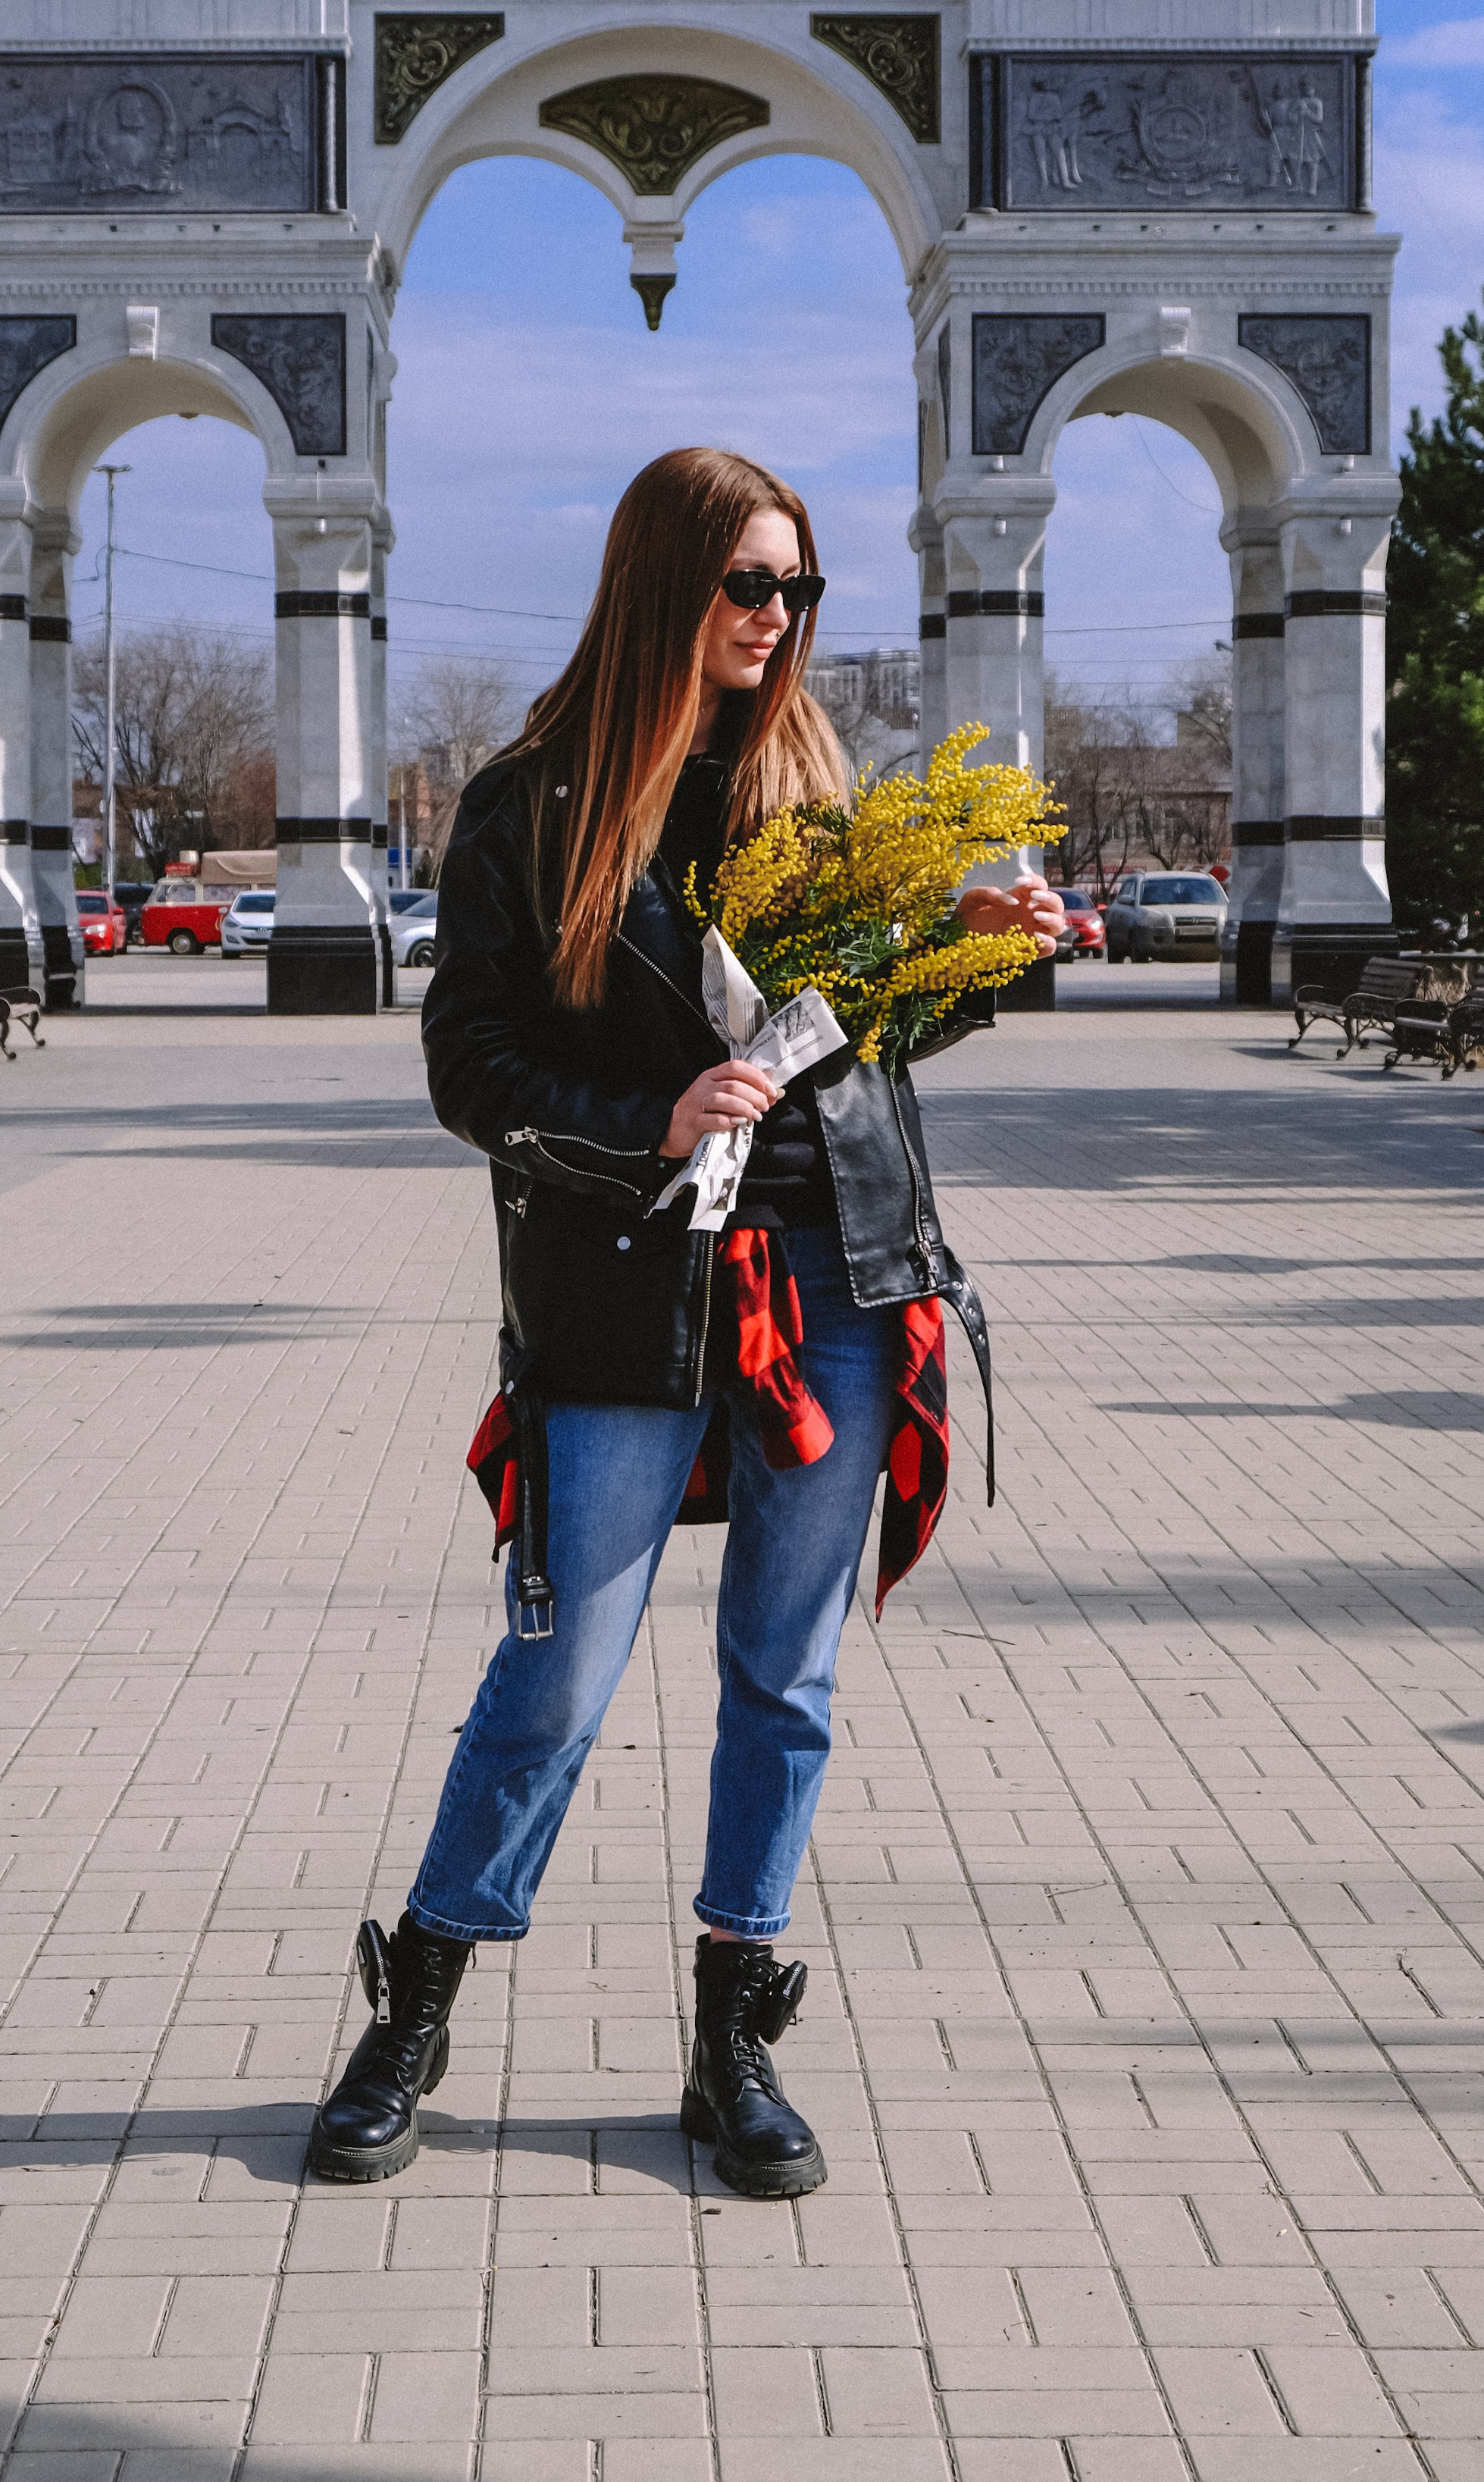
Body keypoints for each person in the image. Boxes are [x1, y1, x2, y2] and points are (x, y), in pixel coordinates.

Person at [309, 448, 1064, 2200]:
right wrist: (639, 1121)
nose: (776, 619)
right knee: (559, 1666)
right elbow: (467, 1065)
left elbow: (852, 1045)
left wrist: (979, 958)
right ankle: (414, 1997)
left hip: (838, 1282)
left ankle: (735, 2038)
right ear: (662, 585)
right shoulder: (534, 802)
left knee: (782, 1677)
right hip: (628, 1281)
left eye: (797, 589)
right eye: (747, 586)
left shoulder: (827, 793)